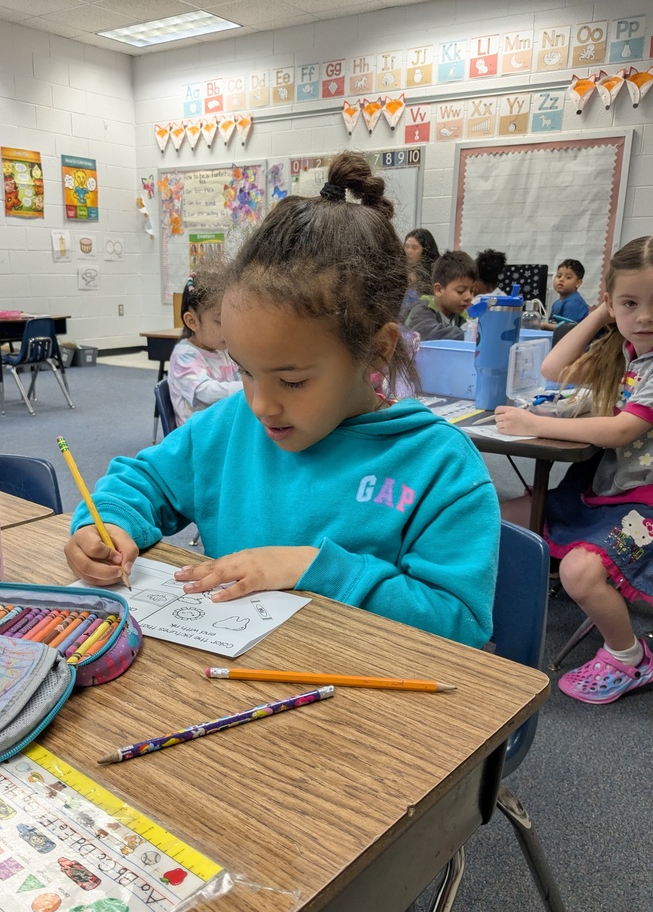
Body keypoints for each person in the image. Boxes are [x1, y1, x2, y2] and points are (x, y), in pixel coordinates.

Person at [64, 150, 499, 652]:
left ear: (376, 350)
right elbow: (145, 480)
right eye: (244, 370)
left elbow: (460, 622)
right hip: (232, 682)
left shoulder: (438, 466)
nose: (261, 405)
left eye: (292, 382)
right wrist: (110, 523)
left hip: (369, 704)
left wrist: (314, 568)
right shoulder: (233, 426)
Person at [495, 235, 653, 704]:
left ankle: (630, 657)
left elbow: (625, 430)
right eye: (630, 303)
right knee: (502, 514)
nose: (644, 317)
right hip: (602, 493)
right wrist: (603, 314)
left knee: (582, 573)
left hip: (645, 515)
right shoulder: (627, 355)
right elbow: (552, 366)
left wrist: (532, 422)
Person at [168, 267, 242, 426]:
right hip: (199, 436)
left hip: (221, 425)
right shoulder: (185, 354)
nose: (229, 329)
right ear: (192, 321)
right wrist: (248, 387)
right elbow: (205, 392)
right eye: (220, 322)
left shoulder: (222, 350)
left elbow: (241, 374)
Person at [404, 249, 477, 340]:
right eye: (460, 291)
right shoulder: (421, 311)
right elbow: (430, 334)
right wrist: (470, 334)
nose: (469, 297)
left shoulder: (459, 315)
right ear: (439, 290)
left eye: (472, 291)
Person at [543, 258, 590, 329]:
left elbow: (568, 329)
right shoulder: (556, 303)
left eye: (568, 277)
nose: (561, 279)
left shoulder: (574, 303)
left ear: (578, 283)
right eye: (559, 276)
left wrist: (544, 326)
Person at [402, 227, 440, 314]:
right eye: (406, 246)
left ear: (426, 251)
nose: (409, 251)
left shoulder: (434, 273)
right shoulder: (400, 270)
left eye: (414, 248)